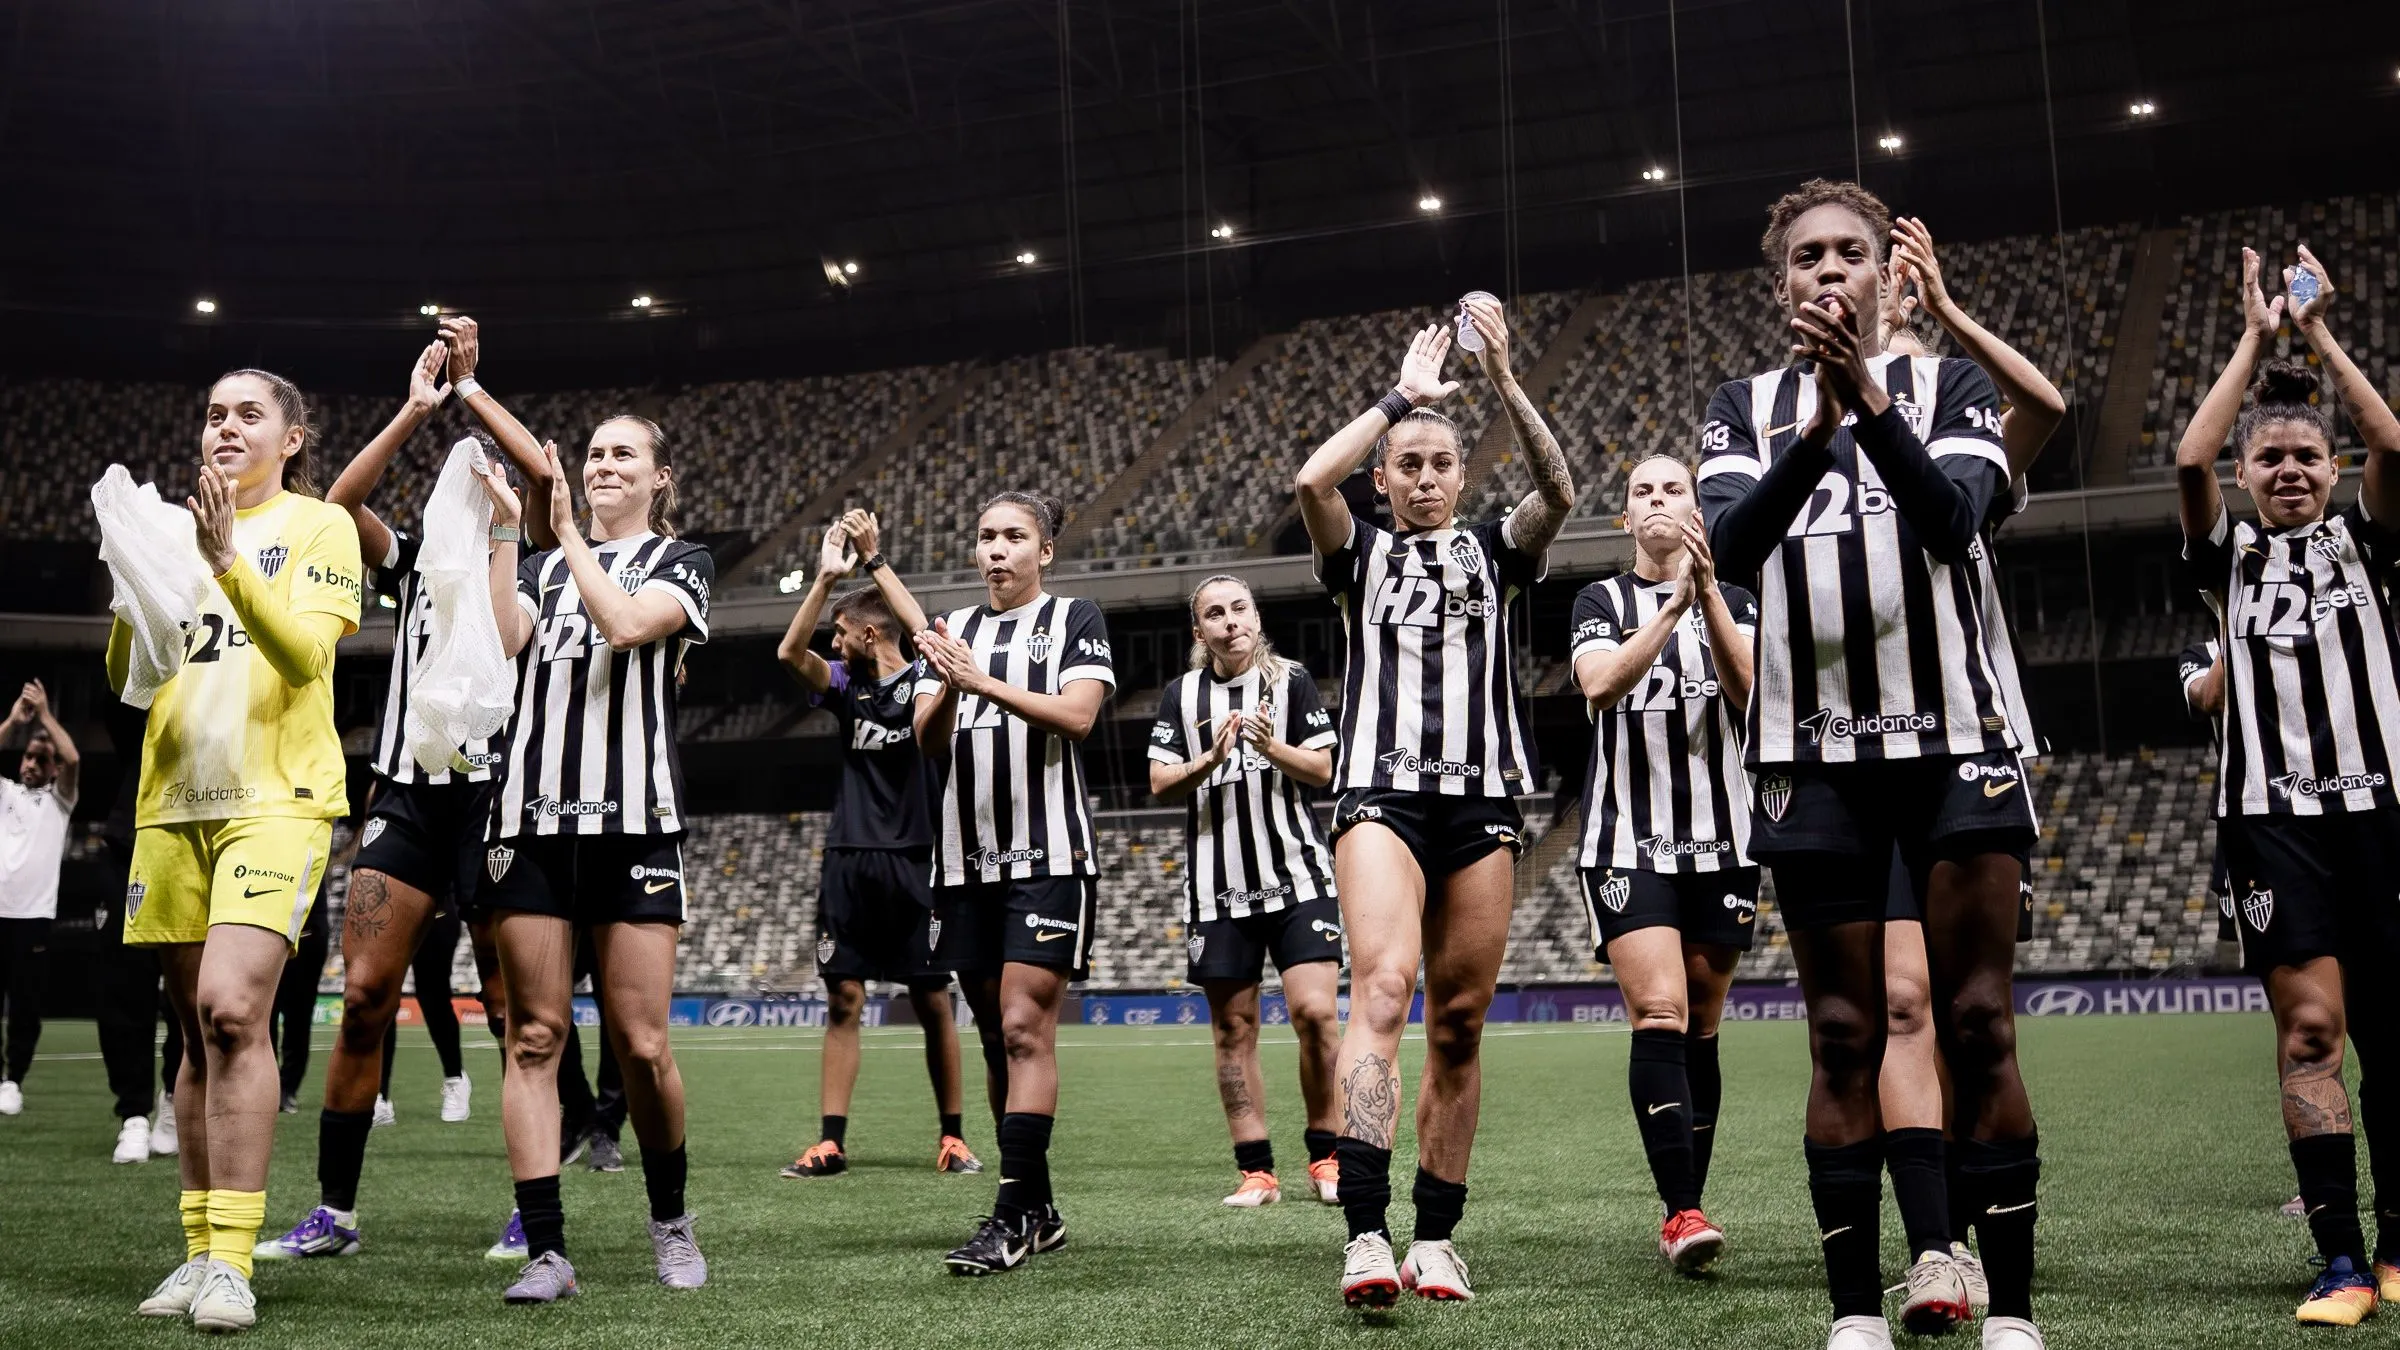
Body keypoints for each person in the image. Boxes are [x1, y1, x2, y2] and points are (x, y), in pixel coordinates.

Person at [1698, 180, 2040, 1350]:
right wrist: (1819, 429)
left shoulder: (1950, 385)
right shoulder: (1740, 404)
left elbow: (1957, 519)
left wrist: (1866, 399)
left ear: (1893, 278)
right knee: (1843, 1032)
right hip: (1814, 754)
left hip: (1956, 744)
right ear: (1783, 282)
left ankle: (2014, 1310)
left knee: (1979, 1018)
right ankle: (1854, 1313)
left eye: (1853, 252)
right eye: (1810, 258)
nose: (1832, 270)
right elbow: (1733, 551)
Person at [1295, 294, 1574, 1308]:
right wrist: (1400, 397)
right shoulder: (1356, 553)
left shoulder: (1500, 553)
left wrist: (1501, 381)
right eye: (1406, 466)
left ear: (1462, 475)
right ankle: (1365, 1233)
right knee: (1381, 990)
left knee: (1459, 1021)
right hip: (1379, 794)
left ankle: (1437, 1237)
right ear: (1386, 479)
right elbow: (1310, 479)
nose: (1421, 478)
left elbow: (1561, 488)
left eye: (1439, 463)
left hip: (1481, 801)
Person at [254, 324, 555, 1262]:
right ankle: (334, 1212)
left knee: (515, 1012)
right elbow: (337, 503)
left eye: (486, 468)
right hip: (406, 797)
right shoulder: (412, 560)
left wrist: (473, 396)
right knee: (366, 997)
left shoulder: (533, 559)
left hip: (497, 795)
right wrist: (417, 407)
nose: (470, 473)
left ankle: (530, 1208)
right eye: (453, 467)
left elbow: (545, 479)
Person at [2175, 244, 2400, 1328]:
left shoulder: (2370, 540)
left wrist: (2315, 336)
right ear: (2252, 478)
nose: (2291, 472)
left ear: (2331, 465)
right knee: (2311, 1034)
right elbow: (2187, 458)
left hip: (2385, 815)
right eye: (2272, 463)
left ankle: (2399, 1245)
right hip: (2273, 826)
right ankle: (2342, 1259)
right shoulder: (2226, 562)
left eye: (2309, 456)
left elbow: (2394, 441)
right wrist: (2256, 338)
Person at [115, 368, 365, 1334]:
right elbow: (133, 676)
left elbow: (306, 655)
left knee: (231, 1010)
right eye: (214, 413)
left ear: (291, 439)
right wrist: (133, 593)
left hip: (278, 797)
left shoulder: (320, 527)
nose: (225, 426)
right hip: (172, 795)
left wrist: (225, 561)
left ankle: (232, 1264)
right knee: (190, 1030)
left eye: (248, 414)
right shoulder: (167, 532)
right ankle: (195, 1251)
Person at [1873, 214, 2064, 1318]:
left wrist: (1946, 314)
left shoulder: (1960, 406)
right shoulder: (1785, 408)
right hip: (1850, 743)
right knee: (1900, 1005)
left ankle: (1998, 1247)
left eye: (1899, 278)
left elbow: (2044, 410)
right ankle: (1935, 1244)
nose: (1883, 288)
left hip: (1960, 735)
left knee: (1974, 1015)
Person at [478, 413, 714, 1304]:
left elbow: (621, 625)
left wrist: (565, 525)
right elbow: (503, 642)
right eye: (594, 454)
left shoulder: (681, 563)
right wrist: (509, 531)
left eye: (624, 454)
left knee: (643, 1044)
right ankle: (547, 1250)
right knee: (533, 1037)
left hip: (633, 828)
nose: (605, 464)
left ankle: (671, 1223)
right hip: (530, 821)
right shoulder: (541, 565)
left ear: (660, 478)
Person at [912, 491, 1114, 1276]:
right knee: (996, 1037)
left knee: (1026, 1029)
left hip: (1048, 859)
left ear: (1045, 551)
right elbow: (929, 743)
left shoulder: (1076, 620)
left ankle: (1007, 1217)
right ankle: (1038, 1206)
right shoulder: (951, 630)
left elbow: (1077, 717)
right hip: (965, 864)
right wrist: (953, 686)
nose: (997, 550)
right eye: (987, 535)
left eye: (1014, 537)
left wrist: (984, 683)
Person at [1570, 458, 1754, 1273]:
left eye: (1672, 488)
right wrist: (1672, 606)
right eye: (1642, 491)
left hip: (1726, 839)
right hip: (1626, 842)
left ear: (1698, 510)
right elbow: (1601, 686)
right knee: (1660, 1014)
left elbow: (1755, 696)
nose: (1657, 500)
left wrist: (1705, 597)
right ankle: (1681, 1212)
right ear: (1625, 519)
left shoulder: (1740, 600)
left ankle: (1687, 1202)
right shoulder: (1599, 602)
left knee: (1704, 1029)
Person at [774, 508, 981, 1181]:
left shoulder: (925, 682)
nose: (833, 642)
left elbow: (922, 635)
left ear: (869, 632)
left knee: (930, 999)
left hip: (919, 859)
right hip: (850, 861)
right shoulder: (845, 688)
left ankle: (951, 1137)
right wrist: (825, 580)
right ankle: (831, 1141)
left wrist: (876, 562)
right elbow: (788, 654)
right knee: (844, 999)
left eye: (841, 630)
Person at [1148, 574, 1344, 1209]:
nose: (1229, 620)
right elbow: (1159, 782)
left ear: (1256, 617)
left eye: (1239, 608)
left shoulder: (1292, 682)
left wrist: (1270, 745)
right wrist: (1208, 759)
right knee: (1233, 1029)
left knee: (1315, 1014)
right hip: (1217, 888)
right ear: (1199, 631)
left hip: (1298, 876)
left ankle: (1328, 1155)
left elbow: (1323, 769)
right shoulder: (1181, 696)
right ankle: (1256, 1170)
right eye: (1214, 613)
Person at [0, 680, 81, 1118]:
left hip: (32, 916)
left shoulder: (60, 800)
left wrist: (46, 715)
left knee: (26, 1006)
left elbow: (73, 758)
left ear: (52, 770)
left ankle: (13, 1081)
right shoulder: (5, 793)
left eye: (40, 759)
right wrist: (15, 720)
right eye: (28, 756)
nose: (31, 764)